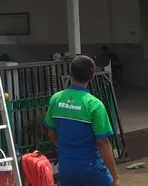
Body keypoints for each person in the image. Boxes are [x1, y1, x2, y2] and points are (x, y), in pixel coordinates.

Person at [44, 55, 119, 186]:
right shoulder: (94, 105)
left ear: (70, 74)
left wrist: (67, 151)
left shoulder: (56, 99)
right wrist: (115, 177)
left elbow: (51, 132)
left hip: (66, 168)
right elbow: (103, 143)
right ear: (92, 78)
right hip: (92, 169)